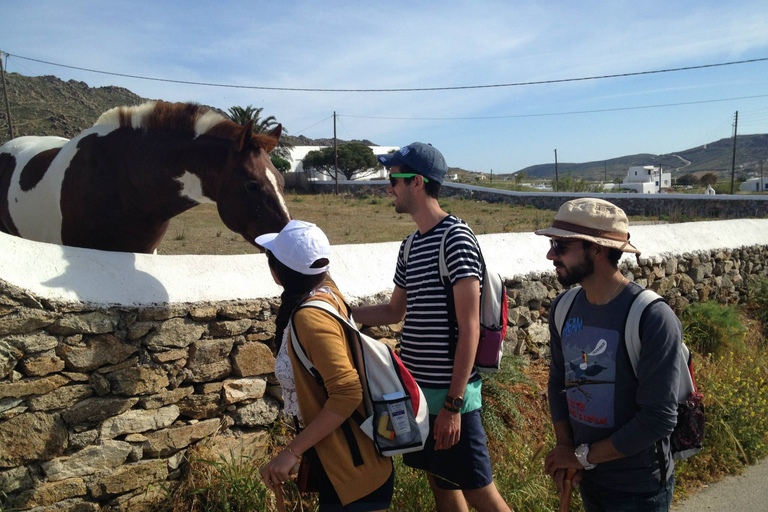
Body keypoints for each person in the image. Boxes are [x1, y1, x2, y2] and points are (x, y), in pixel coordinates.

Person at [352, 143, 511, 512]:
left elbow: (469, 329)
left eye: (394, 179)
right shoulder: (409, 246)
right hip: (419, 397)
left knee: (480, 493)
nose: (388, 186)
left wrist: (454, 407)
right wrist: (342, 311)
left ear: (417, 183)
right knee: (443, 487)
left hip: (452, 399)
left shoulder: (455, 239)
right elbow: (394, 311)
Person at [536, 198, 682, 512]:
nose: (550, 254)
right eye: (552, 243)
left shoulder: (652, 317)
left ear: (598, 250)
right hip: (590, 480)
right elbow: (559, 382)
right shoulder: (563, 307)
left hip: (638, 490)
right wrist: (567, 449)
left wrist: (580, 456)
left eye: (561, 245)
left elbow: (658, 419)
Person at [258, 220, 394, 512]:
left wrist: (292, 452)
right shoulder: (327, 290)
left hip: (355, 471)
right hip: (350, 466)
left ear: (278, 273)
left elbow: (347, 392)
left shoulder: (310, 318)